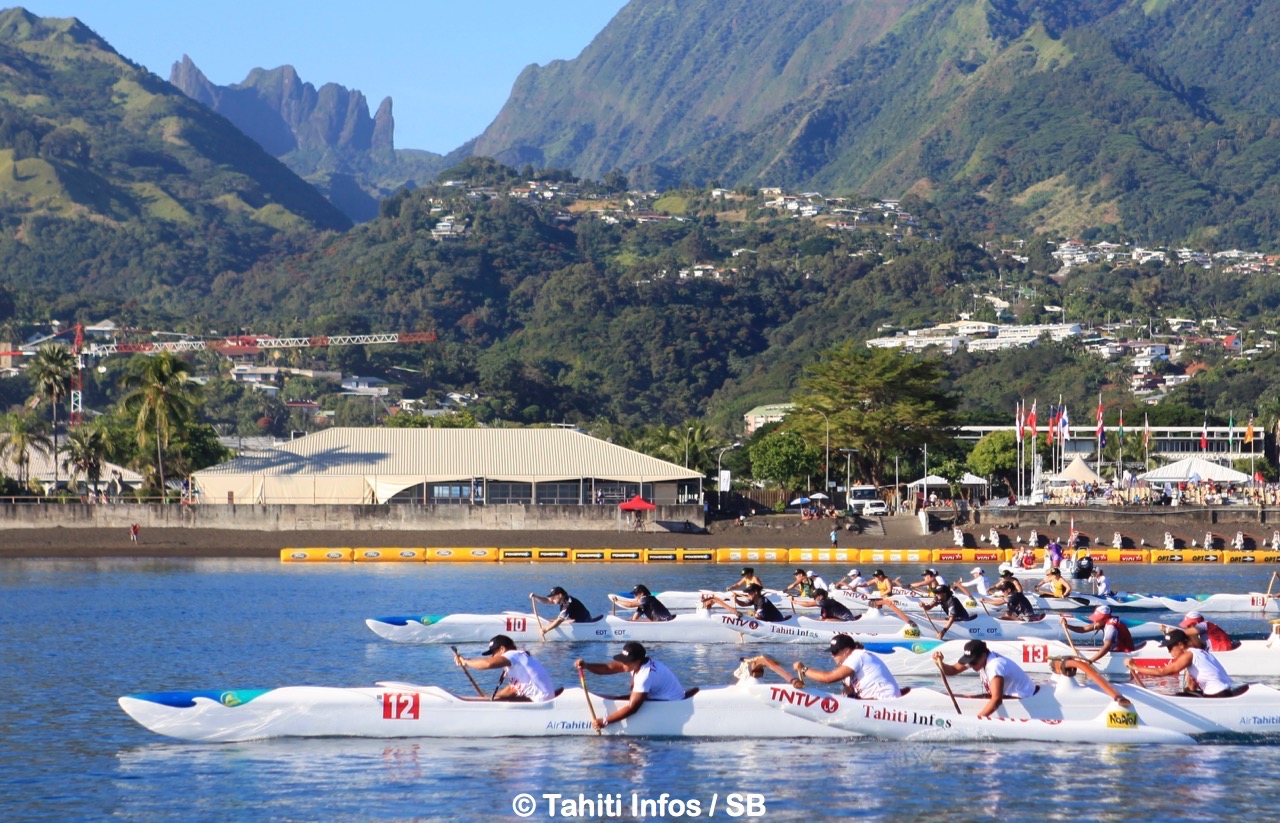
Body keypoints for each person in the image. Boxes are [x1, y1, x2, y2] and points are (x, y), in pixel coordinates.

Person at [576, 641, 686, 729]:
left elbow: (633, 708)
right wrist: (586, 666)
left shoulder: (645, 676)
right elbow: (607, 668)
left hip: (670, 704)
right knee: (624, 698)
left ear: (638, 660)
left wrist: (605, 721)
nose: (623, 664)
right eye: (623, 660)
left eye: (626, 661)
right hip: (662, 696)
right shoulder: (637, 663)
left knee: (631, 700)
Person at [756, 634, 902, 699]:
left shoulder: (858, 656)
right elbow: (849, 695)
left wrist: (804, 670)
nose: (833, 655)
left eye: (835, 652)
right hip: (871, 705)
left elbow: (828, 679)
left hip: (887, 704)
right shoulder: (848, 667)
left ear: (846, 650)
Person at [934, 639, 1037, 718]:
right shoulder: (979, 659)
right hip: (1007, 695)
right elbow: (952, 670)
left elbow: (997, 700)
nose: (971, 665)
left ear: (983, 655)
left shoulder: (995, 666)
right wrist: (939, 663)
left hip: (1024, 699)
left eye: (973, 662)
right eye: (969, 661)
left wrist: (977, 720)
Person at [1127, 629, 1236, 696]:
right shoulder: (1199, 652)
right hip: (1224, 692)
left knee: (1177, 696)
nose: (1169, 652)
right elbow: (1192, 686)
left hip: (1218, 696)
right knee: (1182, 694)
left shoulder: (1189, 655)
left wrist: (1134, 666)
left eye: (1170, 647)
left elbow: (1162, 671)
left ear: (1180, 645)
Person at [454, 635, 556, 702]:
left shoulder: (513, 654)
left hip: (540, 702)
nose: (492, 657)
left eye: (493, 653)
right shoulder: (518, 662)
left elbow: (488, 663)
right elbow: (513, 690)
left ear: (502, 649)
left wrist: (466, 662)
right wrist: (490, 699)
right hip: (538, 700)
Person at [1061, 605, 1134, 662]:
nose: (1095, 622)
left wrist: (1090, 661)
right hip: (1117, 651)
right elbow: (1083, 629)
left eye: (1097, 619)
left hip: (1124, 654)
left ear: (1105, 619)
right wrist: (1067, 626)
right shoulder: (1101, 622)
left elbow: (1106, 648)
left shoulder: (1111, 627)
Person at [703, 583, 786, 622]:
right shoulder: (755, 599)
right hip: (769, 621)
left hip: (777, 622)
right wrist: (736, 600)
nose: (748, 594)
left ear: (756, 592)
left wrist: (745, 620)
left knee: (752, 615)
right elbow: (743, 604)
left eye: (750, 593)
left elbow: (757, 617)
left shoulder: (761, 600)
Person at [529, 586, 594, 634]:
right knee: (551, 620)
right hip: (576, 620)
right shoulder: (562, 599)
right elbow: (547, 600)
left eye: (553, 597)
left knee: (557, 620)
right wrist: (536, 597)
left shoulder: (568, 603)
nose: (551, 599)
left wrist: (546, 630)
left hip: (584, 622)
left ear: (560, 595)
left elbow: (560, 620)